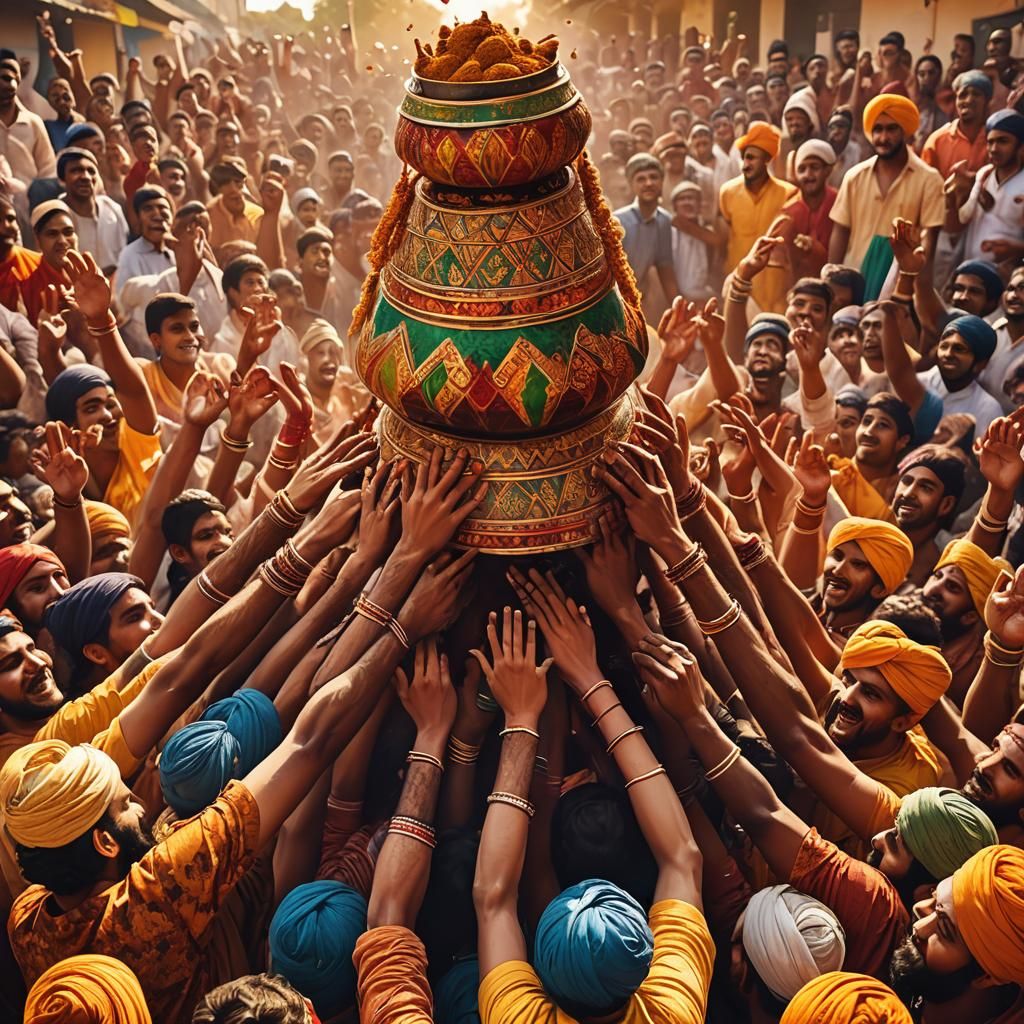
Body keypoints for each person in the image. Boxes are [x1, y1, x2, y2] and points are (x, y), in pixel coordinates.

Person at [829, 95, 945, 300]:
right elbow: (840, 230)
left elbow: (929, 241)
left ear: (905, 132)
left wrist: (914, 283)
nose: (883, 137)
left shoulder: (929, 179)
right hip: (852, 285)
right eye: (878, 129)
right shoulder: (854, 176)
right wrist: (830, 283)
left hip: (900, 288)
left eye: (891, 129)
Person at [720, 123, 796, 315]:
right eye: (744, 157)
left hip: (775, 294)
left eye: (752, 158)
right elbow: (724, 238)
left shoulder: (789, 193)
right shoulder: (727, 192)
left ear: (767, 160)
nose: (746, 164)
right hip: (738, 287)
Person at [613, 153, 679, 317]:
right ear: (631, 185)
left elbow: (665, 270)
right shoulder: (618, 221)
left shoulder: (664, 221)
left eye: (653, 177)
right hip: (613, 301)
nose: (648, 183)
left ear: (662, 181)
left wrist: (679, 307)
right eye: (641, 179)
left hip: (638, 302)